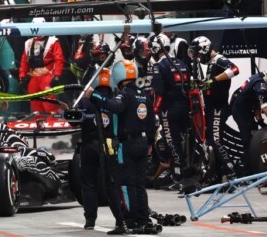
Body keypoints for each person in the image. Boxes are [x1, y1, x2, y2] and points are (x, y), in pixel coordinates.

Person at [87, 59, 158, 235]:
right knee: (140, 185)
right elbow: (152, 121)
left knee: (125, 184)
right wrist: (150, 143)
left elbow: (115, 106)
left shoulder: (125, 93)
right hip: (143, 144)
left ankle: (129, 222)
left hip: (127, 144)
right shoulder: (144, 94)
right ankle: (143, 220)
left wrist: (94, 95)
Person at [220, 60, 267, 177]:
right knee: (250, 141)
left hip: (242, 108)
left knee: (253, 137)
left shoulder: (261, 78)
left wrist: (260, 121)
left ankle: (249, 171)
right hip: (241, 110)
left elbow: (256, 102)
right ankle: (246, 174)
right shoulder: (261, 83)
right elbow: (265, 107)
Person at [189, 36, 239, 184]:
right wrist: (204, 83)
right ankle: (218, 175)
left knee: (216, 141)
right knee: (211, 141)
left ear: (205, 49)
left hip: (218, 108)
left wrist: (212, 81)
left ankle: (231, 173)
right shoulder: (211, 62)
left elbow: (235, 70)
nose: (198, 57)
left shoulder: (219, 59)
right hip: (211, 108)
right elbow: (211, 84)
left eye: (198, 53)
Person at [77, 67, 120, 231]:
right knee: (111, 183)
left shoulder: (86, 100)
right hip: (109, 147)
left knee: (89, 184)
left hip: (89, 145)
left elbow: (74, 121)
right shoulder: (115, 100)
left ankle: (90, 220)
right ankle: (120, 218)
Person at [150, 34, 194, 191]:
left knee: (172, 143)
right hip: (185, 108)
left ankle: (178, 176)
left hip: (169, 110)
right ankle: (182, 172)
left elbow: (159, 93)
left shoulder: (158, 66)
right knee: (181, 141)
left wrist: (154, 111)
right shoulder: (182, 63)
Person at [20, 24, 66, 114]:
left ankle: (52, 121)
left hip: (47, 76)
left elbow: (59, 59)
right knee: (35, 105)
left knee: (49, 104)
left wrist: (57, 75)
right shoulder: (28, 43)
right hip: (33, 77)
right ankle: (38, 121)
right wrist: (22, 76)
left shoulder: (53, 41)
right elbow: (24, 61)